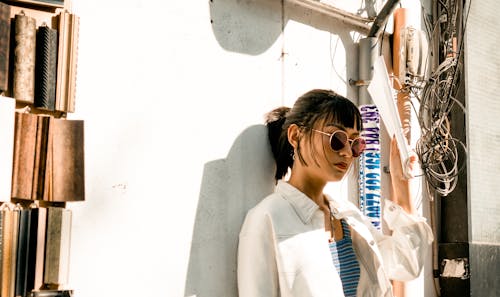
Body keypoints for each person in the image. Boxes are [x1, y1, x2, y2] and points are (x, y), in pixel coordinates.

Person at [237, 89, 433, 297]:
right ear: (296, 136)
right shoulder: (266, 219)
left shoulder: (346, 214)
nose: (348, 153)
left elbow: (405, 263)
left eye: (355, 143)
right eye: (336, 139)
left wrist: (402, 182)